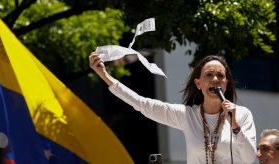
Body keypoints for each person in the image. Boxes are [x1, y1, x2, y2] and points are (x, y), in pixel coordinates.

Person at [89, 53, 257, 163]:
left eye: (220, 76)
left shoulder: (242, 115)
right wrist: (105, 76)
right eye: (209, 75)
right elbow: (141, 103)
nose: (215, 79)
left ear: (226, 84)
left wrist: (235, 126)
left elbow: (249, 159)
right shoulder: (187, 115)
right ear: (198, 84)